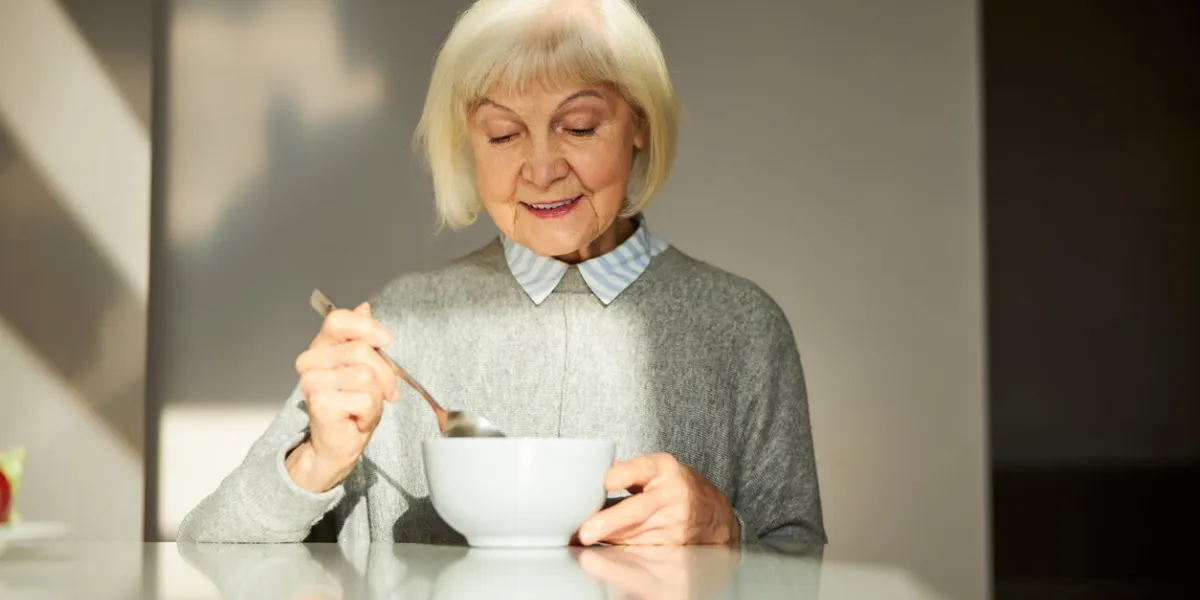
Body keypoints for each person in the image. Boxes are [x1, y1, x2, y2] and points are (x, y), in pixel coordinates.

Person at [177, 0, 825, 549]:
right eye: (504, 135)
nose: (541, 169)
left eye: (578, 126)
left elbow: (803, 566)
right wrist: (315, 462)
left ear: (639, 125)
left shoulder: (744, 327)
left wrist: (725, 530)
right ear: (467, 143)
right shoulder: (398, 327)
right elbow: (204, 555)